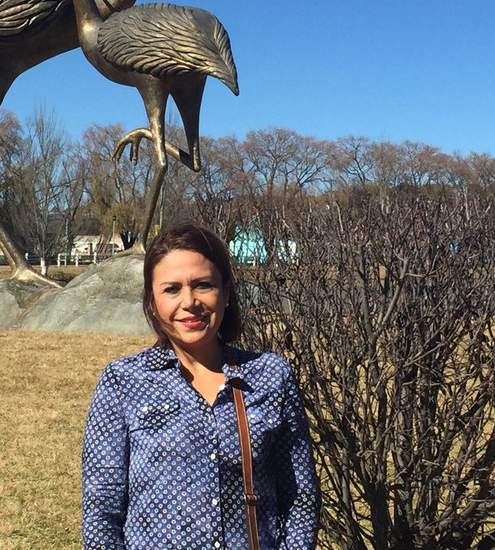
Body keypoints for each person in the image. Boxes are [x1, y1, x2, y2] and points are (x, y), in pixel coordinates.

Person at [82, 223, 319, 550]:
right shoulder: (122, 382)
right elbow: (101, 509)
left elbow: (300, 498)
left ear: (226, 292)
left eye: (203, 285)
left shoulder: (269, 376)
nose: (189, 302)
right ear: (151, 301)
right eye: (171, 289)